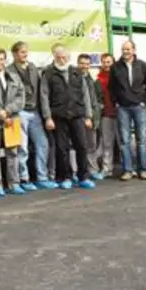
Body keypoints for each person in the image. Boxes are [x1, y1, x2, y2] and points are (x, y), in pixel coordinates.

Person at [41, 47, 97, 189]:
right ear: (54, 57)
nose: (62, 60)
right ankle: (66, 177)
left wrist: (89, 116)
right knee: (62, 148)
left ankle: (83, 177)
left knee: (82, 146)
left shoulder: (76, 72)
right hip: (58, 116)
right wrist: (48, 117)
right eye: (59, 57)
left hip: (77, 115)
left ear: (69, 58)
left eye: (64, 57)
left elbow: (86, 95)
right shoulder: (48, 74)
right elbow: (44, 96)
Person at [8, 41, 54, 190]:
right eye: (21, 52)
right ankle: (24, 178)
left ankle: (42, 176)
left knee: (43, 143)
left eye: (26, 51)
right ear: (14, 54)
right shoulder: (9, 71)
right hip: (19, 112)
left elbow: (41, 89)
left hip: (34, 111)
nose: (24, 54)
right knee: (22, 147)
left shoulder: (33, 68)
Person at [0, 48, 26, 196]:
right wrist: (0, 114)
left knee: (12, 154)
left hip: (11, 120)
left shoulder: (15, 77)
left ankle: (14, 183)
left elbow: (21, 98)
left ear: (5, 60)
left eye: (1, 59)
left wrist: (7, 111)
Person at [110, 40, 146, 181]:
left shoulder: (142, 65)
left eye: (128, 49)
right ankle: (128, 170)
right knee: (125, 141)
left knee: (141, 140)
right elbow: (112, 87)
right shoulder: (115, 67)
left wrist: (145, 102)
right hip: (123, 108)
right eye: (123, 49)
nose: (125, 52)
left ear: (134, 50)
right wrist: (115, 102)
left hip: (139, 107)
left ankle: (143, 170)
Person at [76, 54, 104, 182]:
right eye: (82, 63)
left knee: (92, 144)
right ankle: (77, 171)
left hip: (92, 116)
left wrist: (94, 116)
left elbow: (94, 99)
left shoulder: (91, 79)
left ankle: (93, 169)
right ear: (78, 63)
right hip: (80, 116)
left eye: (87, 64)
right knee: (79, 145)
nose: (84, 66)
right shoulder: (74, 78)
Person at [96, 53, 118, 178]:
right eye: (104, 62)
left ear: (113, 62)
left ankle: (129, 168)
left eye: (108, 62)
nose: (106, 64)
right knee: (107, 143)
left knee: (123, 143)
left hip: (121, 113)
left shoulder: (120, 76)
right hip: (106, 115)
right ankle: (106, 169)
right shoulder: (98, 79)